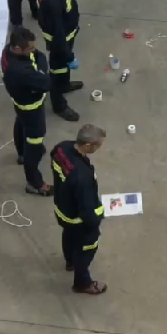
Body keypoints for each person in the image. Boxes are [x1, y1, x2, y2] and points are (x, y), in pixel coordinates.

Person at [50, 124, 107, 295]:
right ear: (88, 145)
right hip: (78, 219)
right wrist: (97, 220)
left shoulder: (62, 148)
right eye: (98, 145)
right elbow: (87, 209)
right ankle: (82, 283)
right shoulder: (82, 177)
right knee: (87, 247)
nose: (99, 148)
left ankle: (70, 261)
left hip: (62, 208)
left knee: (68, 235)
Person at [0, 27, 53, 196]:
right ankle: (35, 183)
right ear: (17, 48)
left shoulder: (8, 51)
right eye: (29, 48)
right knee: (35, 142)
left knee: (21, 124)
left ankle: (22, 153)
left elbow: (38, 56)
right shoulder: (21, 71)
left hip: (20, 103)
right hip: (32, 108)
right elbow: (46, 82)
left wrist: (37, 59)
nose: (33, 50)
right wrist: (41, 67)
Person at [37, 0, 83, 121]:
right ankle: (59, 105)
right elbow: (58, 33)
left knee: (62, 68)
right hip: (60, 41)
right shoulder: (54, 3)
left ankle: (65, 84)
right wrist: (69, 56)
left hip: (64, 36)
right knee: (57, 71)